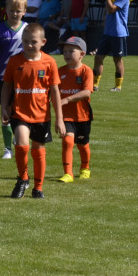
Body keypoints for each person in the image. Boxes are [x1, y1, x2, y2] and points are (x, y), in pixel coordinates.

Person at [0, 23, 65, 199]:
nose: (29, 45)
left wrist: (59, 118)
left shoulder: (49, 62)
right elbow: (6, 85)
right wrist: (3, 108)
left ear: (43, 42)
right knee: (22, 144)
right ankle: (23, 178)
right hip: (20, 113)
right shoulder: (14, 61)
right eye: (25, 41)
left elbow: (55, 91)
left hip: (42, 115)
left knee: (38, 150)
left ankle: (38, 187)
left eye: (33, 42)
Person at [0, 0, 28, 160]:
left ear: (24, 11)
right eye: (11, 10)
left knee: (20, 113)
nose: (14, 14)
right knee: (5, 112)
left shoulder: (28, 29)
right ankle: (7, 149)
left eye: (18, 11)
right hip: (4, 78)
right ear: (6, 10)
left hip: (24, 79)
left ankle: (20, 140)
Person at [56, 36, 94, 183]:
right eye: (65, 51)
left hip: (82, 115)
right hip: (66, 115)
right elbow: (54, 90)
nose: (66, 54)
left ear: (82, 54)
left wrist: (66, 99)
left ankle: (85, 168)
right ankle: (68, 173)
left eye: (71, 51)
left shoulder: (86, 71)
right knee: (67, 141)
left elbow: (86, 92)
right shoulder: (60, 72)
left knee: (82, 145)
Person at [93, 0, 132, 92]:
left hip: (118, 33)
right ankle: (94, 85)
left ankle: (118, 86)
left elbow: (111, 9)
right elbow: (107, 11)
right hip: (108, 32)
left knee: (117, 59)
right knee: (98, 57)